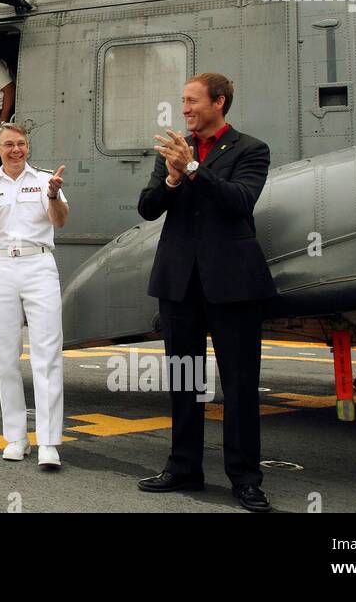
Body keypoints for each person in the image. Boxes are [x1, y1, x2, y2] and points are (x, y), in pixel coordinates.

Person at [135, 73, 277, 512]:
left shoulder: (251, 149)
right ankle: (183, 467)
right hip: (179, 282)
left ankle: (245, 478)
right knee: (184, 379)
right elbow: (148, 207)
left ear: (219, 102)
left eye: (193, 101)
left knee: (238, 385)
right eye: (183, 102)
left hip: (233, 283)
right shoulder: (174, 150)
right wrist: (174, 177)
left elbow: (238, 201)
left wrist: (194, 169)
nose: (186, 109)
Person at [0, 122, 68, 470]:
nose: (16, 150)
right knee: (6, 355)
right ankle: (16, 437)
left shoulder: (44, 180)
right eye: (9, 144)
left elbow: (60, 221)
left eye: (21, 144)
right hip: (0, 267)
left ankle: (49, 442)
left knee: (47, 354)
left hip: (38, 264)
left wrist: (55, 194)